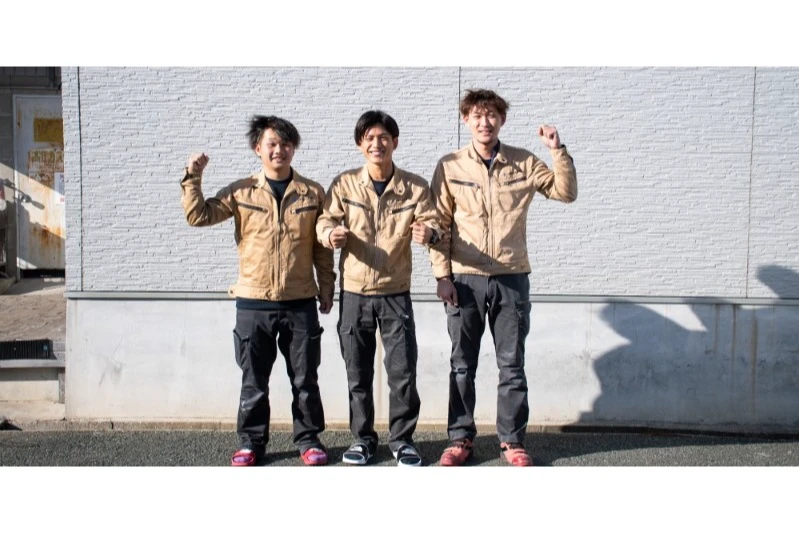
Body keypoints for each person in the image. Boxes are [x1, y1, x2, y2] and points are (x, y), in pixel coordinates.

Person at [429, 89, 577, 466]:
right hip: (465, 279)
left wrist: (557, 151)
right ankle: (460, 439)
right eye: (477, 116)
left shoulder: (523, 162)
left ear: (502, 120)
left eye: (492, 115)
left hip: (512, 277)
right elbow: (438, 224)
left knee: (511, 365)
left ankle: (512, 441)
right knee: (462, 364)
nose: (485, 122)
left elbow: (565, 192)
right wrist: (442, 275)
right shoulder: (450, 166)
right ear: (466, 120)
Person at [180, 115, 335, 467]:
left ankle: (309, 440)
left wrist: (327, 287)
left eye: (286, 143)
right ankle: (251, 442)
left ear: (294, 148)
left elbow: (321, 249)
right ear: (257, 149)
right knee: (254, 381)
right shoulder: (242, 190)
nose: (279, 150)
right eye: (272, 144)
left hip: (300, 301)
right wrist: (193, 176)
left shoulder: (312, 192)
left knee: (305, 379)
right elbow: (198, 216)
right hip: (253, 301)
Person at [316, 110, 442, 467]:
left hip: (395, 293)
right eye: (369, 138)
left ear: (395, 142)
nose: (377, 144)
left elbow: (435, 224)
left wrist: (430, 234)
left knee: (402, 373)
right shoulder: (344, 184)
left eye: (383, 137)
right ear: (360, 144)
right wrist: (329, 234)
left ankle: (402, 440)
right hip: (354, 294)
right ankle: (363, 440)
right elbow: (325, 220)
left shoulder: (414, 187)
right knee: (357, 373)